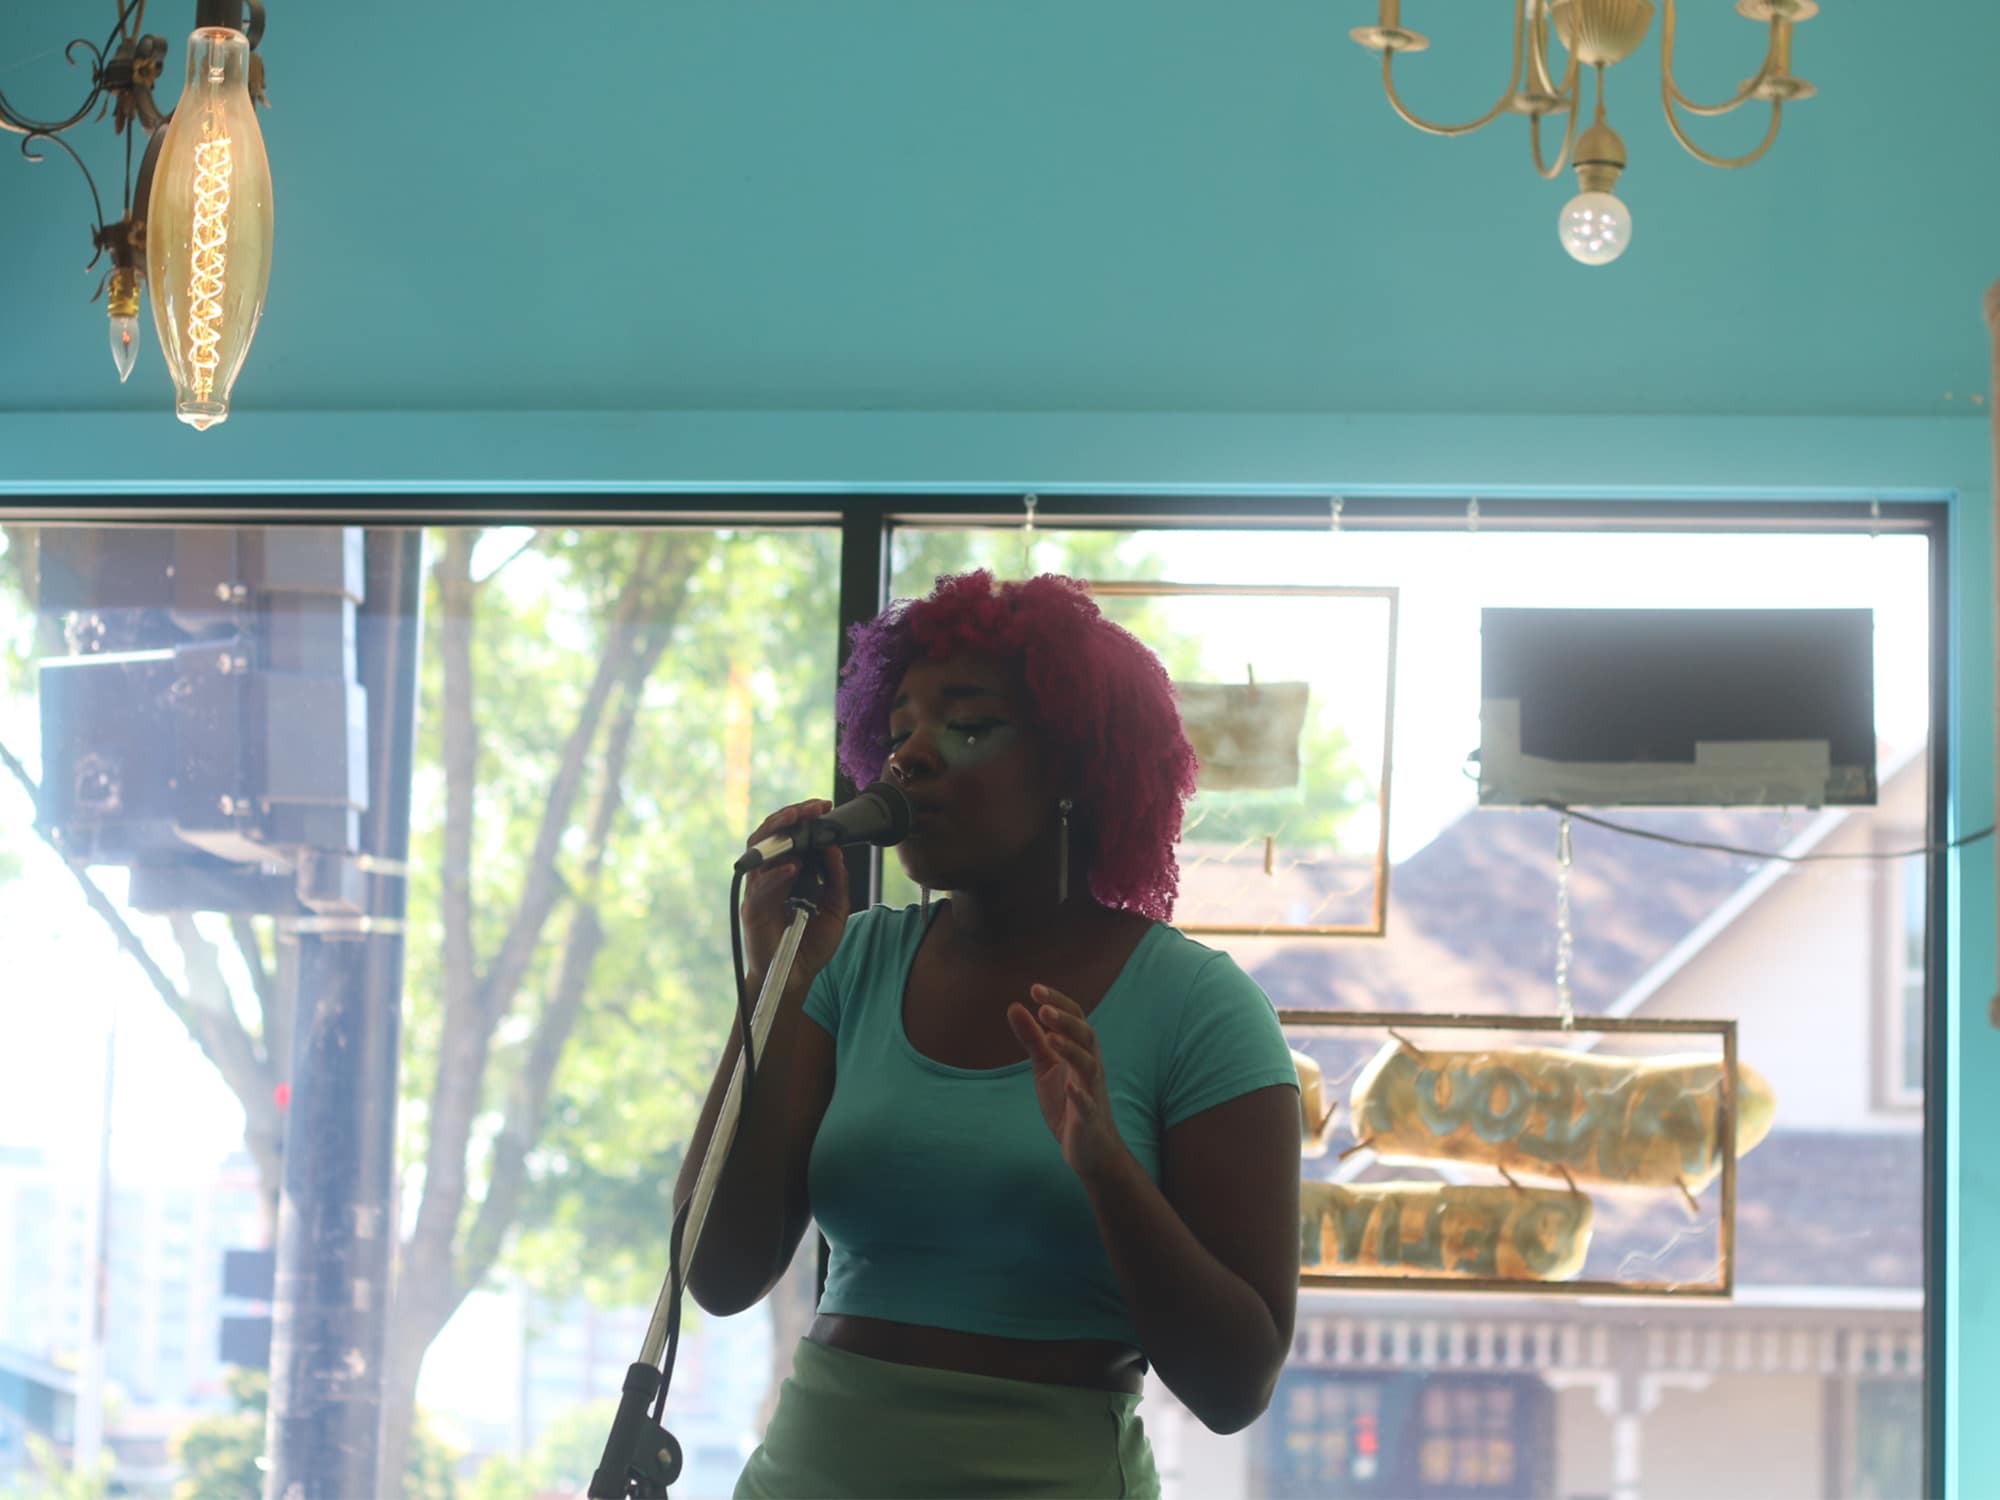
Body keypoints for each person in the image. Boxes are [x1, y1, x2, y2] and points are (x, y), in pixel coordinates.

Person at [675, 570, 1303, 1499]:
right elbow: (717, 1275)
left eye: (966, 726)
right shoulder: (852, 961)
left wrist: (1105, 1167)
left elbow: (1234, 1385)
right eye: (895, 737)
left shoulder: (1200, 1008)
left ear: (1074, 769)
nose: (912, 759)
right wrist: (773, 986)